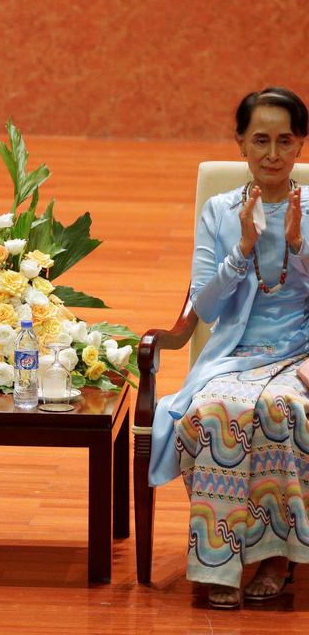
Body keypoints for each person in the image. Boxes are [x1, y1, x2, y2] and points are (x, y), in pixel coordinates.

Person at [149, 87, 309, 608]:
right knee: (216, 410)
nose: (272, 154)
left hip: (301, 352)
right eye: (260, 139)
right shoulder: (221, 211)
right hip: (236, 353)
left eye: (285, 141)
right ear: (240, 143)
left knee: (278, 408)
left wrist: (299, 250)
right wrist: (241, 251)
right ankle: (219, 557)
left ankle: (276, 556)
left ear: (300, 145)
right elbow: (207, 308)